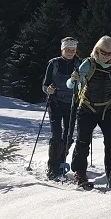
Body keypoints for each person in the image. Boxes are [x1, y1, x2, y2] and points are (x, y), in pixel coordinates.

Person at [66, 36, 111, 190]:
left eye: (110, 53)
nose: (106, 56)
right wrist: (72, 79)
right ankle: (79, 173)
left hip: (107, 108)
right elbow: (70, 85)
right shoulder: (88, 64)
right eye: (103, 52)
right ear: (97, 50)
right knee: (83, 142)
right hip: (87, 108)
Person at [42, 36, 81, 180]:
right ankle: (53, 167)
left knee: (69, 134)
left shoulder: (79, 63)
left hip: (72, 103)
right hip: (56, 103)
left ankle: (61, 160)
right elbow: (44, 85)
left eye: (73, 50)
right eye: (68, 50)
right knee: (56, 134)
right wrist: (49, 90)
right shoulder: (54, 63)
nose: (71, 52)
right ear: (62, 49)